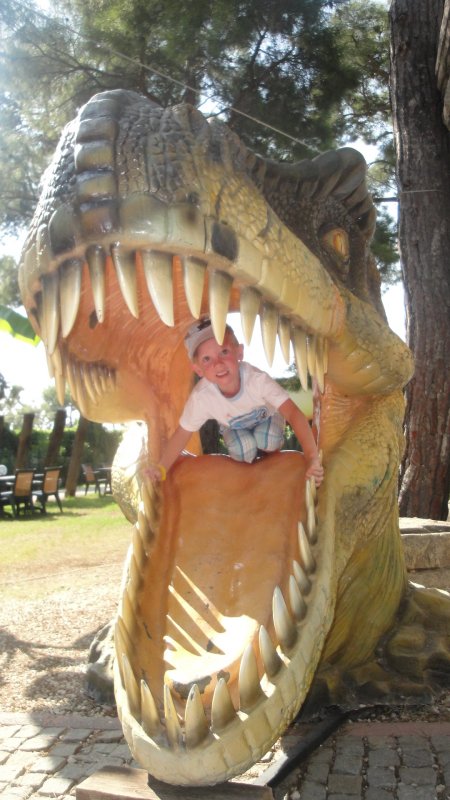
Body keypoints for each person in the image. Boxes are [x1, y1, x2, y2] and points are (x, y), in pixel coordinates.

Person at [147, 317, 324, 486]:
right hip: (236, 428)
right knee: (243, 450)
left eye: (224, 352)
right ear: (198, 370)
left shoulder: (256, 380)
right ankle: (253, 476)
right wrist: (161, 469)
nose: (218, 363)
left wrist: (312, 458)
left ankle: (272, 462)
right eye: (206, 359)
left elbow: (292, 413)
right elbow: (182, 433)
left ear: (239, 352)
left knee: (267, 439)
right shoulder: (202, 397)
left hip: (267, 418)